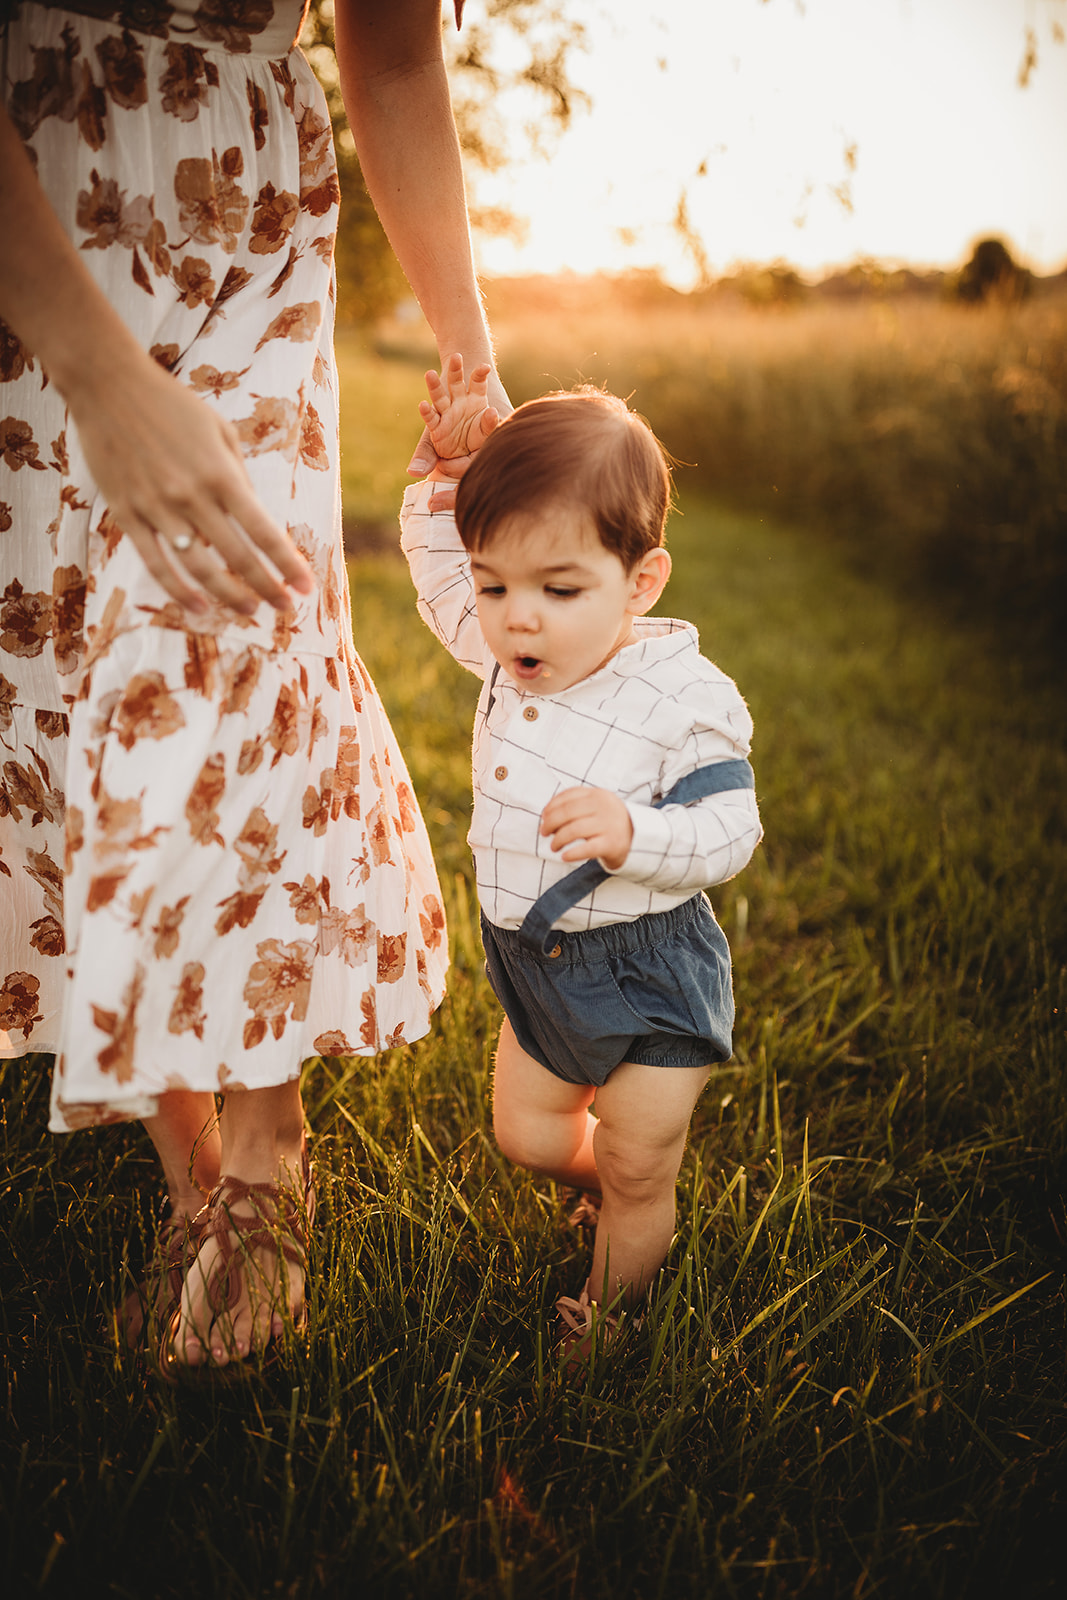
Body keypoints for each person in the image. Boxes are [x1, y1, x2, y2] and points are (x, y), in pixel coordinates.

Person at [0, 0, 506, 1371]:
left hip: (249, 188)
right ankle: (188, 1178)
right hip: (33, 167)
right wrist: (99, 381)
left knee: (230, 641)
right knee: (68, 666)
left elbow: (394, 50)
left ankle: (264, 1167)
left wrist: (469, 360)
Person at [399, 356, 763, 1353]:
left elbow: (730, 829)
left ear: (637, 581)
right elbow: (439, 563)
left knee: (639, 1158)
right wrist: (440, 470)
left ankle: (611, 1310)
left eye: (558, 588)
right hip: (534, 962)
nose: (517, 614)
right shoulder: (507, 646)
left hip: (646, 970)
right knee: (526, 1136)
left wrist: (633, 832)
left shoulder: (675, 694)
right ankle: (619, 1198)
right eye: (495, 583)